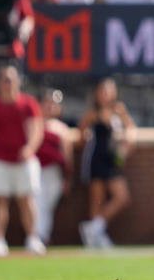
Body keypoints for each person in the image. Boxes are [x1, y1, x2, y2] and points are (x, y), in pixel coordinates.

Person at [78, 78, 136, 248]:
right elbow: (81, 133)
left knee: (122, 197)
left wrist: (125, 147)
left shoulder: (119, 110)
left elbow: (131, 129)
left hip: (113, 160)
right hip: (95, 158)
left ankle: (94, 228)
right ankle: (96, 239)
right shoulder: (92, 113)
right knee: (97, 199)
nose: (105, 94)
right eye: (102, 91)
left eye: (108, 90)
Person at [0, 65, 45, 256]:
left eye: (11, 79)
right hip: (0, 160)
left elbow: (36, 129)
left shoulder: (28, 104)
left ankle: (33, 238)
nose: (8, 84)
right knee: (0, 200)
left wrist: (30, 148)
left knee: (26, 200)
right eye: (4, 80)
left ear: (17, 82)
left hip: (24, 161)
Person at [35, 88, 73, 244]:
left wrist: (67, 179)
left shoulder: (61, 128)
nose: (50, 106)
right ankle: (38, 237)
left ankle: (41, 237)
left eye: (54, 103)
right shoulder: (33, 123)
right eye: (47, 102)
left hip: (53, 172)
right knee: (37, 203)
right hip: (35, 170)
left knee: (47, 206)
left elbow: (67, 157)